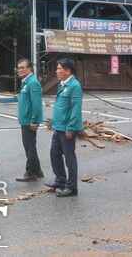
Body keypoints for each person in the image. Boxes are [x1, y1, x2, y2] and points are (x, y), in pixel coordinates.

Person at [46, 58, 83, 197]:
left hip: (67, 128)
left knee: (69, 158)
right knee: (54, 154)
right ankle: (60, 180)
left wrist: (71, 127)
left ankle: (72, 187)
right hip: (58, 127)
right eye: (57, 68)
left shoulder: (74, 86)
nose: (57, 71)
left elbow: (76, 108)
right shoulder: (63, 84)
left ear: (68, 71)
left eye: (59, 68)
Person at [14, 58, 44, 182]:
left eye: (23, 67)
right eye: (19, 68)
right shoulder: (26, 82)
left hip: (29, 121)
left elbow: (36, 104)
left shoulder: (33, 82)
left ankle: (31, 172)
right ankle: (38, 171)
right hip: (25, 120)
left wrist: (34, 120)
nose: (20, 70)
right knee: (30, 146)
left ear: (30, 68)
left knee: (29, 147)